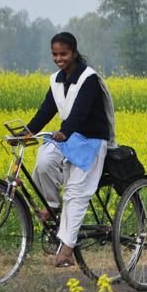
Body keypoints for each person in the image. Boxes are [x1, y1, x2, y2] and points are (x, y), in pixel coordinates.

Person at [25, 32, 115, 268]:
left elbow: (81, 112)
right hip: (68, 136)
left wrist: (65, 131)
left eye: (63, 54)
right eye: (55, 54)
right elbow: (46, 110)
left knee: (76, 192)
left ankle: (67, 249)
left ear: (74, 53)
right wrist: (28, 131)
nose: (59, 58)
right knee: (43, 160)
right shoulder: (56, 79)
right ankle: (52, 204)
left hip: (91, 141)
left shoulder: (89, 78)